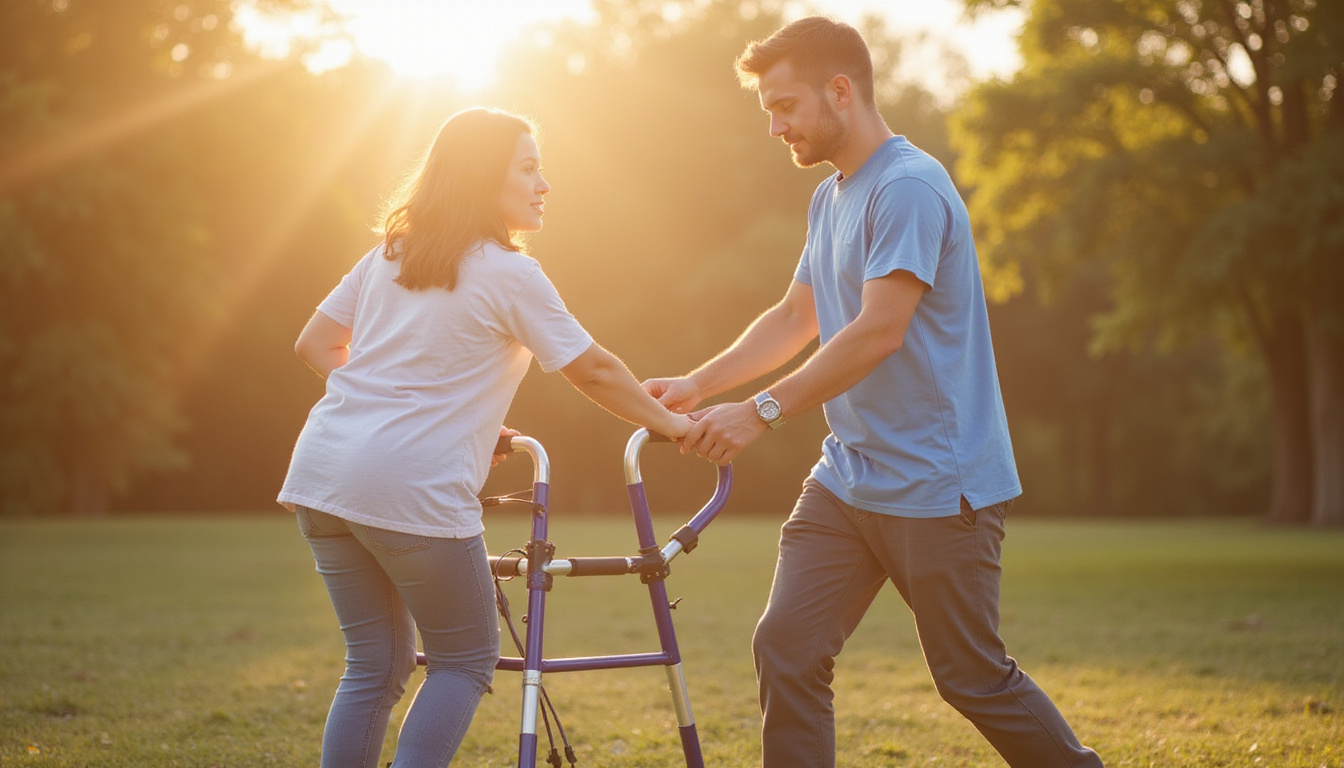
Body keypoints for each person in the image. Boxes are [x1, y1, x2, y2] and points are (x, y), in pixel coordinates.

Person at [643, 17, 1104, 768]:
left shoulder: (909, 188)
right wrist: (700, 383)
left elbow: (877, 330)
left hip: (938, 485)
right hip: (849, 480)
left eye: (784, 106)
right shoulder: (832, 197)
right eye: (767, 110)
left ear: (841, 90)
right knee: (785, 647)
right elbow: (799, 316)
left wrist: (760, 410)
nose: (774, 126)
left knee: (970, 676)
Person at [278, 107, 691, 768]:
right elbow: (592, 368)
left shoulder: (392, 252)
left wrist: (410, 399)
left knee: (375, 667)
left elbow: (315, 344)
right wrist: (670, 422)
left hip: (324, 476)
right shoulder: (509, 271)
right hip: (410, 486)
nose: (544, 183)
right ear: (481, 180)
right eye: (528, 168)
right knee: (464, 660)